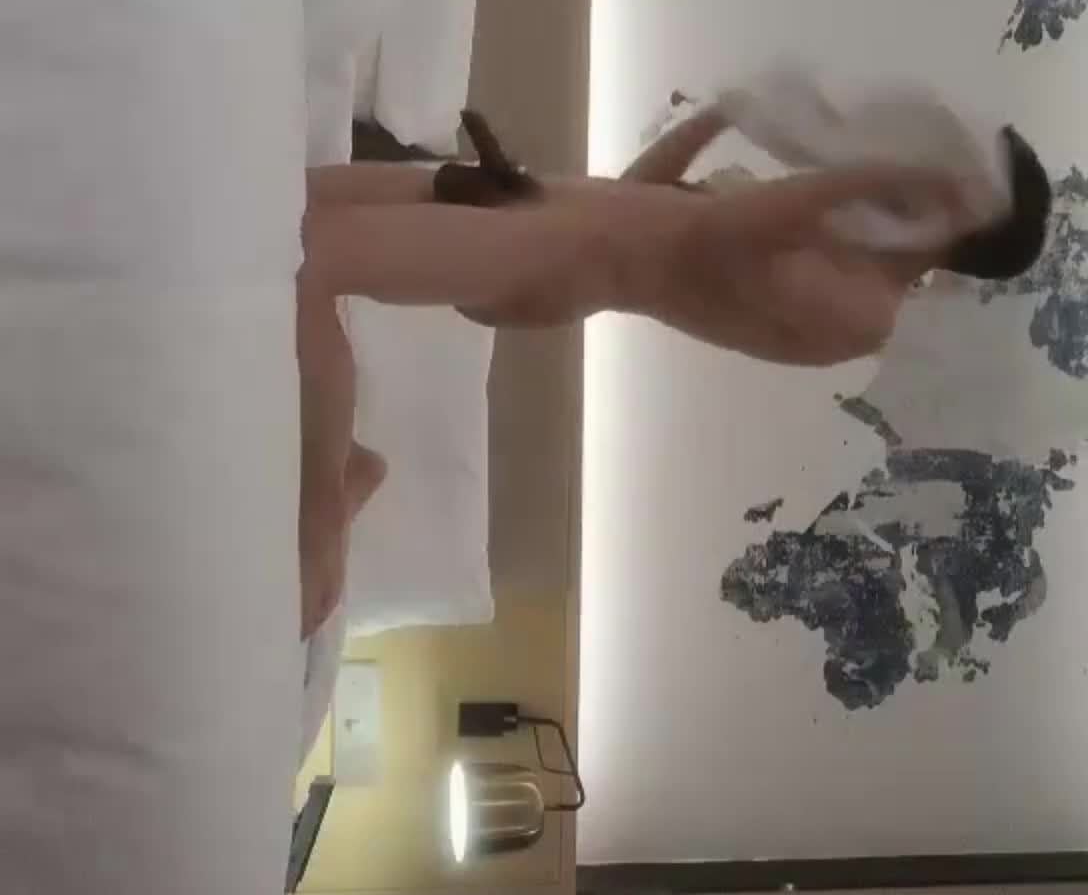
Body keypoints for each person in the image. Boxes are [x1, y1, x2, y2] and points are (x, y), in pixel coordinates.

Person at [295, 104, 1050, 639]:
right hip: (534, 201)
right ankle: (348, 472)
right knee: (286, 207)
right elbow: (640, 201)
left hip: (547, 261)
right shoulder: (844, 240)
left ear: (967, 217)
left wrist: (853, 171)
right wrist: (715, 115)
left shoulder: (866, 307)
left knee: (306, 263)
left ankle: (331, 498)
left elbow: (721, 233)